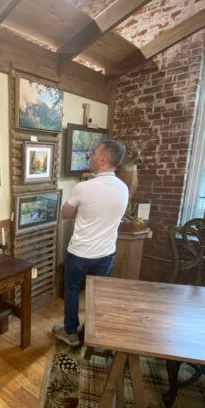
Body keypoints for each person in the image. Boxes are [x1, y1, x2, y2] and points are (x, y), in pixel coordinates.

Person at [53, 140, 128, 347]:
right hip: (106, 253)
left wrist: (80, 209)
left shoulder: (83, 188)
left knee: (72, 290)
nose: (91, 157)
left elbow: (66, 214)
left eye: (94, 153)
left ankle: (70, 332)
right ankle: (90, 330)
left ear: (103, 159)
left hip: (80, 252)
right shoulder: (123, 188)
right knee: (97, 294)